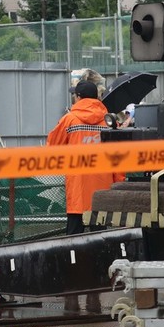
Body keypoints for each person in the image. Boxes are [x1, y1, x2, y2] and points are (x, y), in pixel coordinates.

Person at [47, 79, 124, 235]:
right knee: (100, 236)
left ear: (79, 97)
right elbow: (118, 155)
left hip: (78, 188)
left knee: (73, 240)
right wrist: (119, 181)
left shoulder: (69, 120)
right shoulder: (109, 121)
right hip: (102, 189)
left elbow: (52, 147)